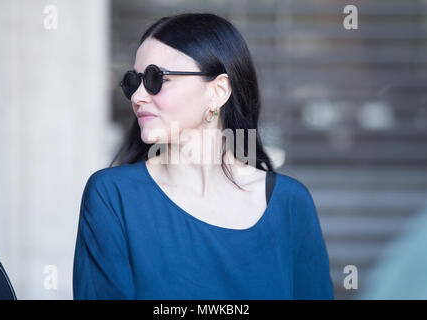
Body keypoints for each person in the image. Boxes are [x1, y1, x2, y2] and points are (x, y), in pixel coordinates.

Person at [72, 12, 334, 300]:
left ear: (218, 91)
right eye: (133, 82)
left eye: (155, 78)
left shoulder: (289, 203)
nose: (137, 96)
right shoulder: (113, 196)